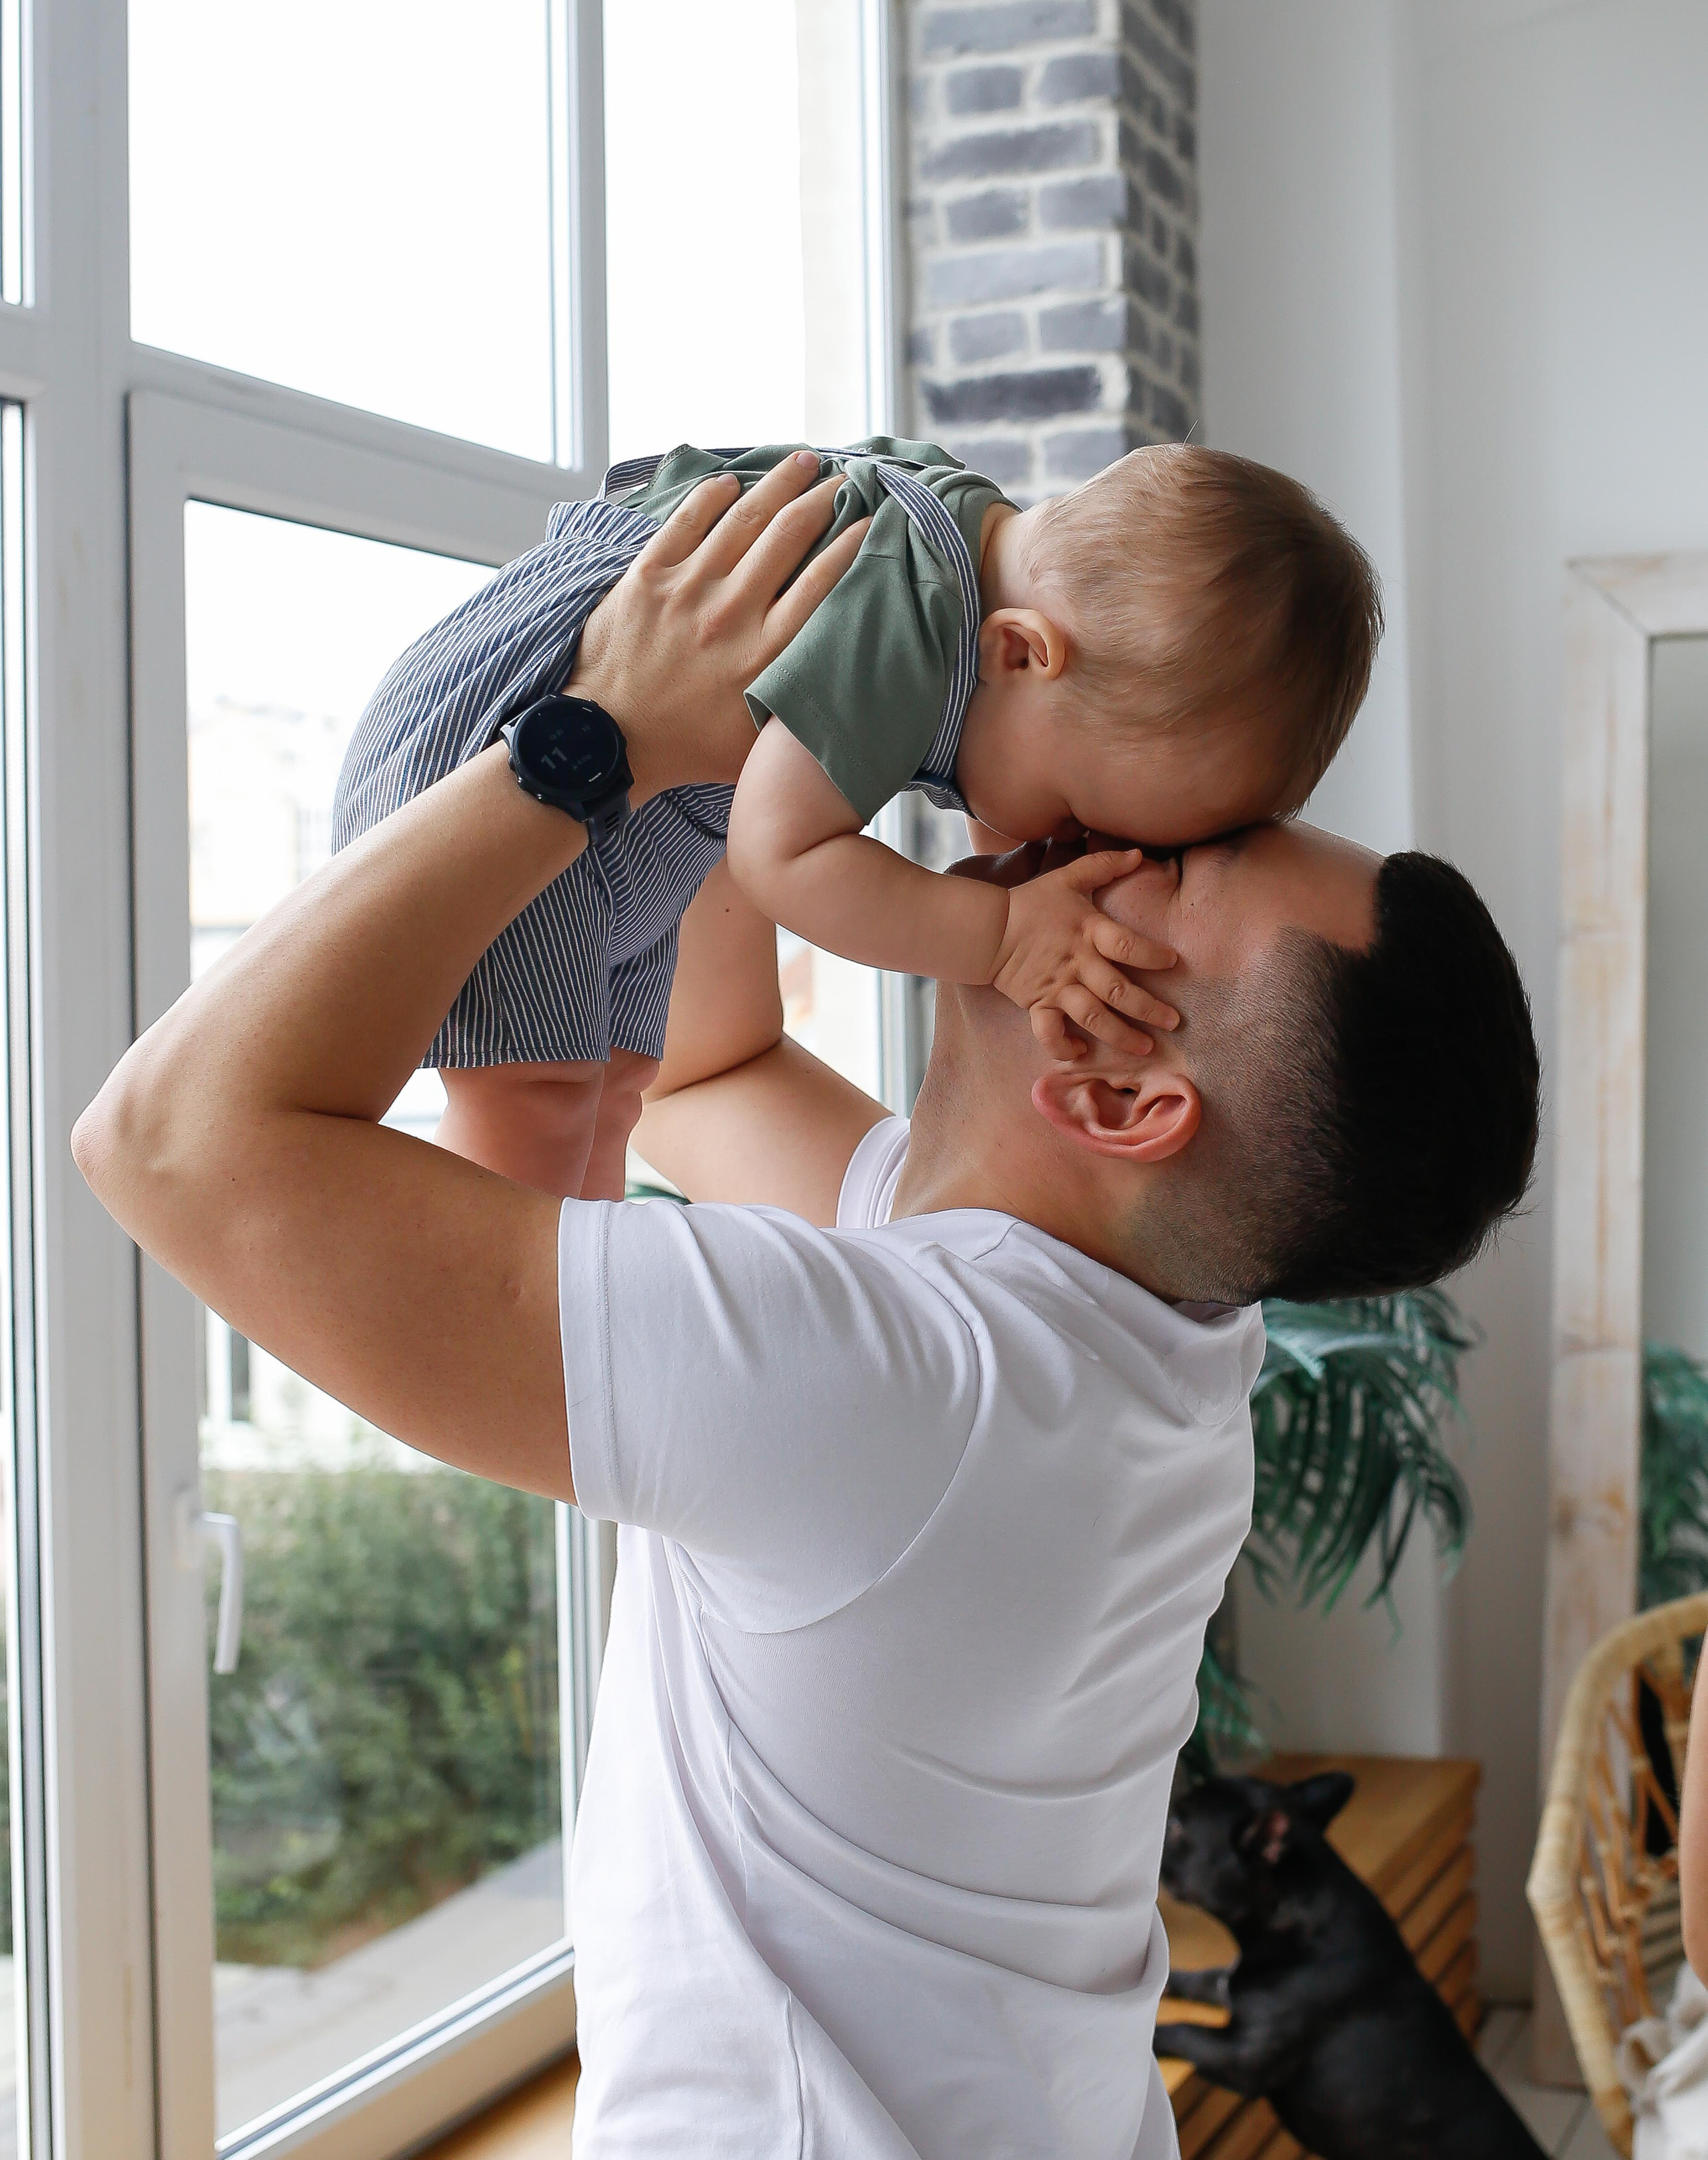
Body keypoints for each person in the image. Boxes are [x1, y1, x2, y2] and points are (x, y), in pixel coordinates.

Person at [74, 458, 1539, 2158]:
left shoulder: (902, 1388)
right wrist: (760, 719)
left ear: (1127, 1102)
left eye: (1166, 875)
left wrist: (596, 737)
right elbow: (714, 1068)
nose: (1090, 838)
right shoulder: (1124, 1336)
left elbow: (170, 1143)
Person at [332, 436, 1380, 1197]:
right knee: (538, 1102)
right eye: (1070, 808)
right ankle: (479, 1324)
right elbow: (782, 853)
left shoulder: (967, 535)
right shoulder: (913, 623)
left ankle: (569, 1308)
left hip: (619, 814)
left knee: (609, 1090)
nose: (1047, 849)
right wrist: (1003, 937)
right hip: (500, 757)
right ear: (1020, 652)